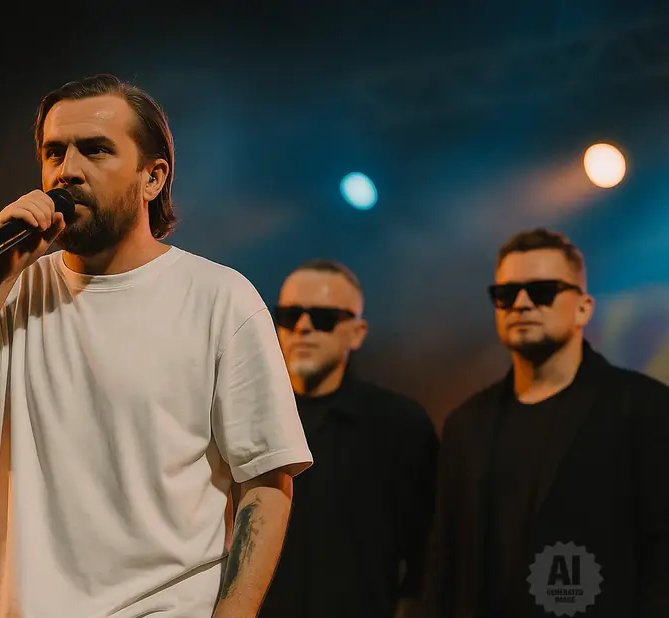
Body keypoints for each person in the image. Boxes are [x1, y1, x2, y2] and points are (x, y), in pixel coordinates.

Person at [0, 74, 313, 618]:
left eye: (95, 150)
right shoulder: (15, 293)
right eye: (54, 152)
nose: (67, 169)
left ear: (152, 177)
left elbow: (265, 482)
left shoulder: (219, 298)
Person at [422, 228, 669, 618]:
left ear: (584, 307)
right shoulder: (465, 424)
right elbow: (444, 565)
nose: (520, 304)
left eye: (542, 291)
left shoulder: (644, 408)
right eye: (505, 294)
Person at [259, 259, 438, 618]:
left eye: (323, 318)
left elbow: (430, 555)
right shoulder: (243, 417)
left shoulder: (400, 425)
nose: (304, 327)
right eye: (290, 316)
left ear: (357, 332)